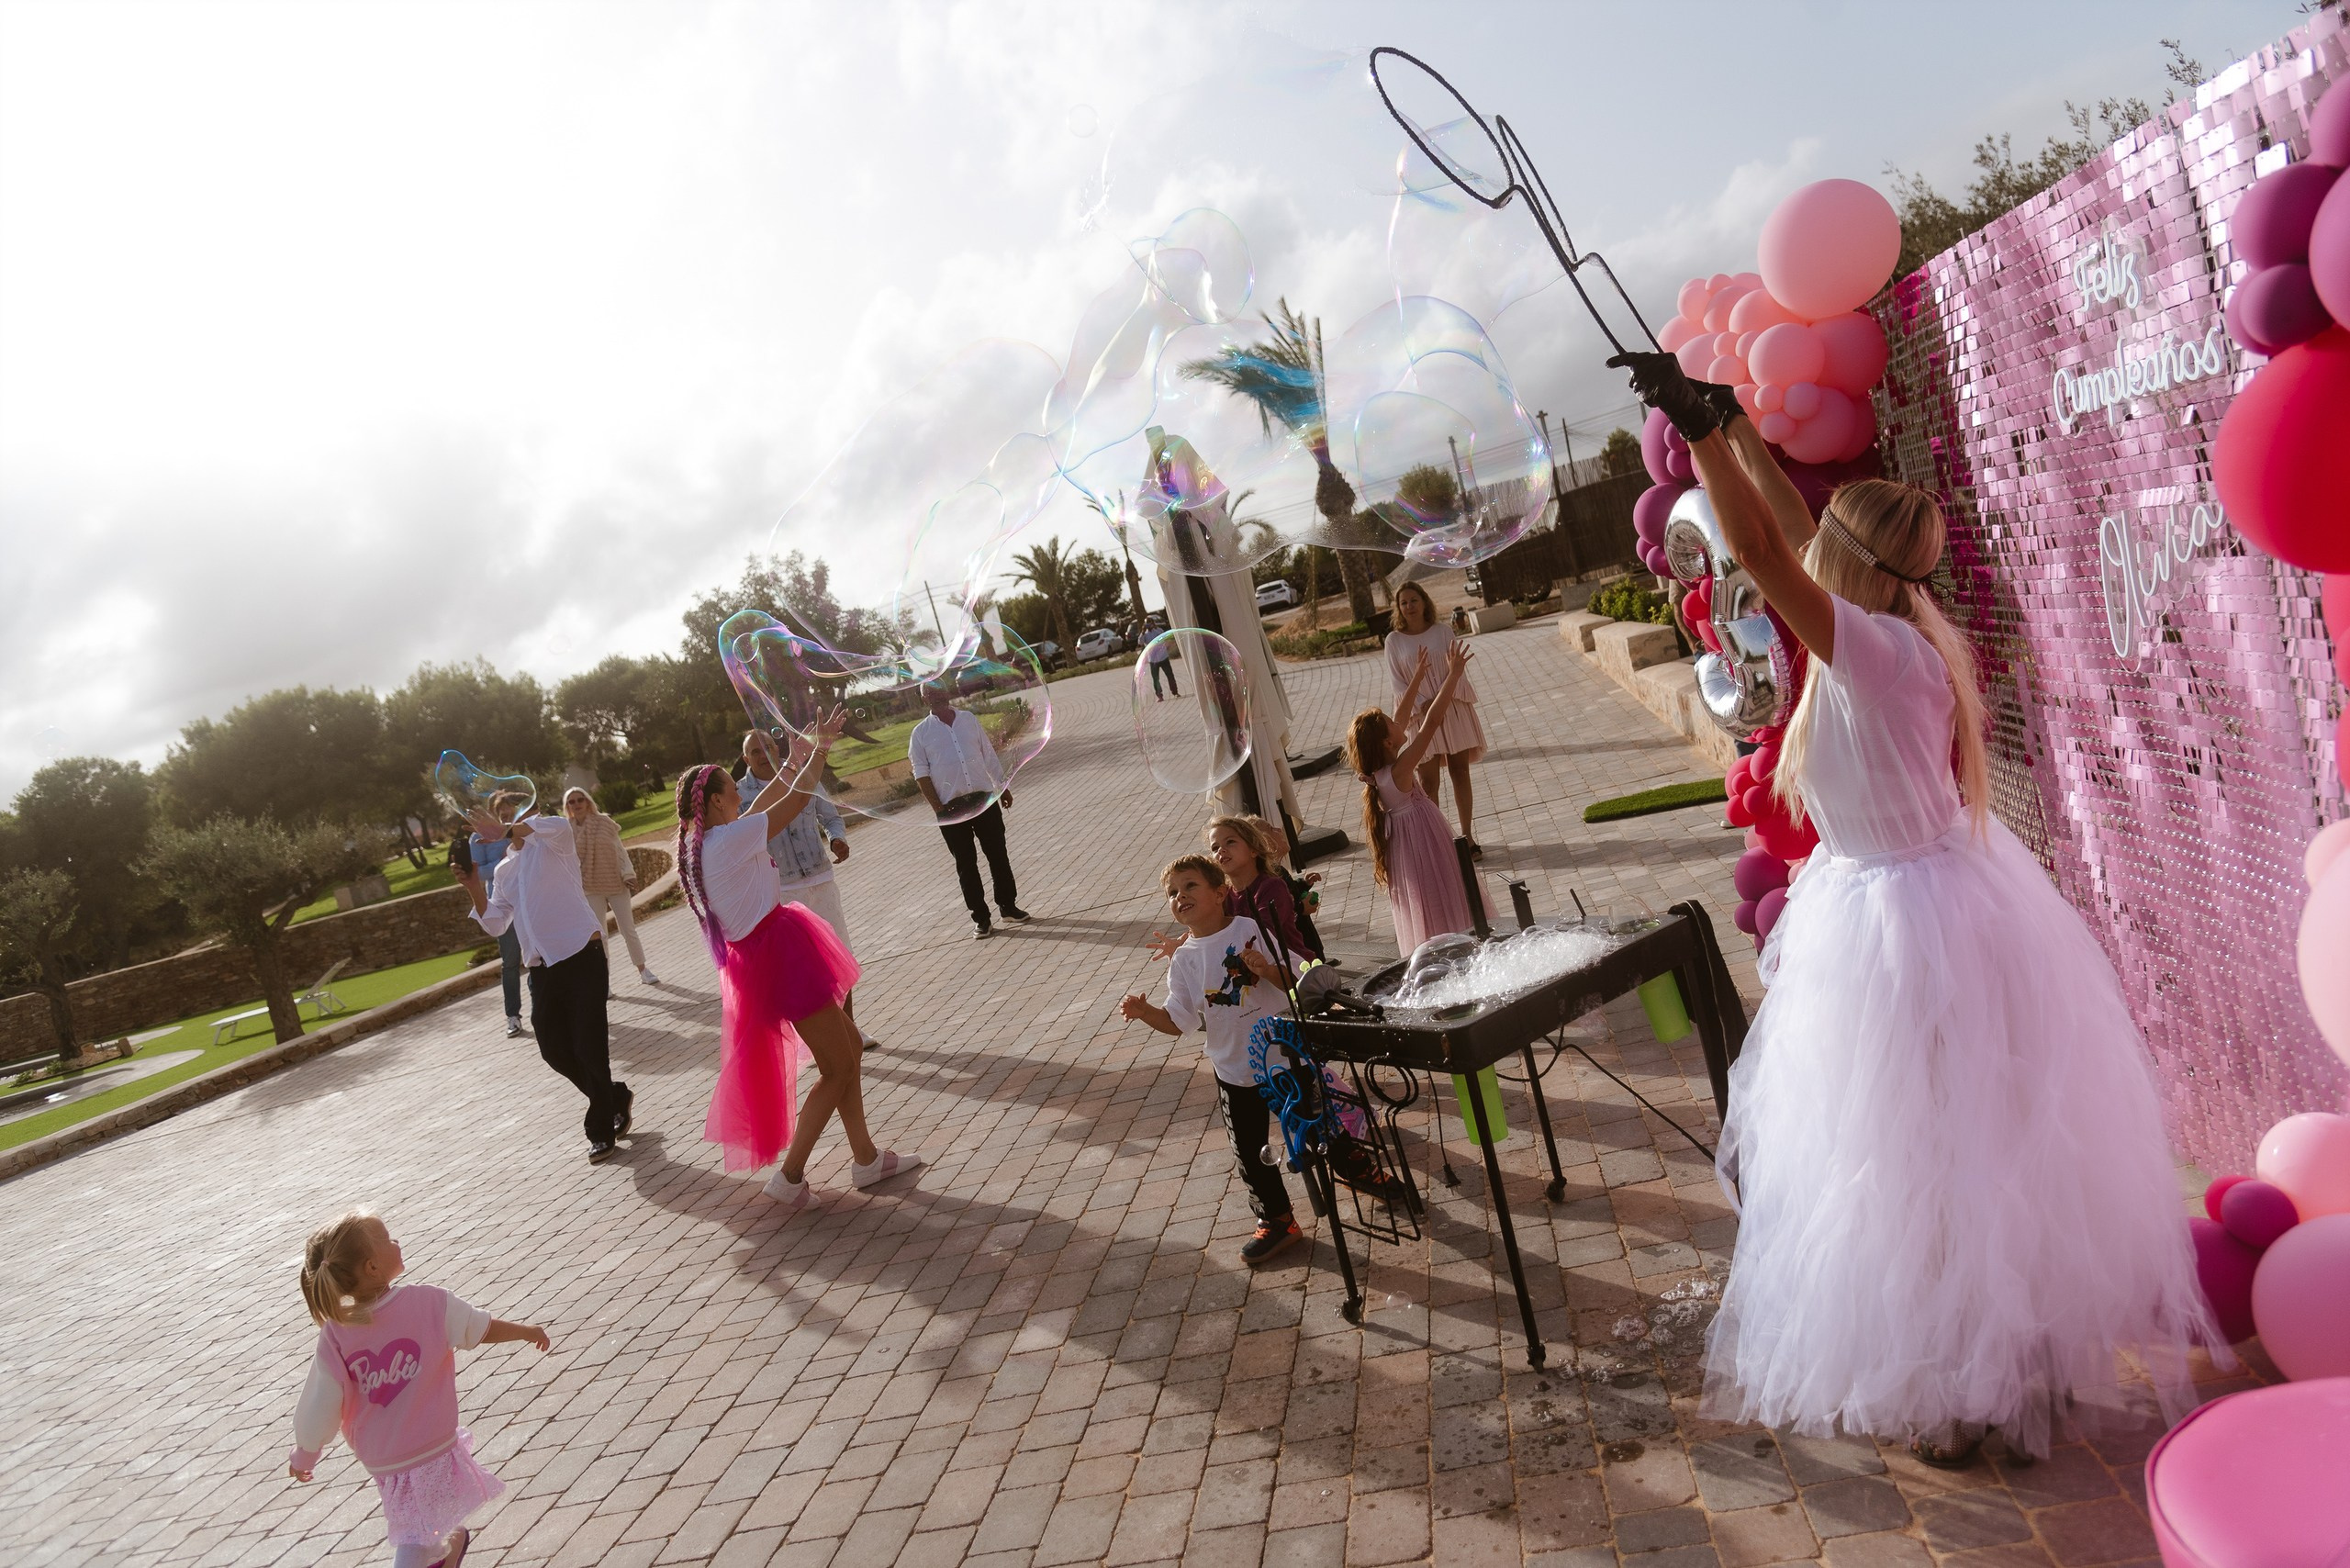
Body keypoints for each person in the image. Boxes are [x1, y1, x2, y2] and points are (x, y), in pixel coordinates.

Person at [1611, 349, 2224, 1465]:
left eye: (1825, 545)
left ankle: (1972, 1381)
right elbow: (1794, 532)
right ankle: (1999, 1368)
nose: (1809, 553)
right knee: (1960, 1155)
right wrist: (1732, 420)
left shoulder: (1872, 650)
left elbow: (1755, 547)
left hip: (1904, 927)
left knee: (1927, 1167)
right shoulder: (1898, 626)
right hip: (1917, 899)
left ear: (1849, 563)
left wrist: (1693, 433)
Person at [675, 716, 919, 1213]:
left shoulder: (706, 843)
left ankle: (867, 1159)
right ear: (719, 800)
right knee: (837, 1065)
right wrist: (820, 749)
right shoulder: (726, 842)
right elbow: (795, 801)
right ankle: (789, 1176)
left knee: (848, 1048)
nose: (740, 790)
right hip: (779, 956)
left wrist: (791, 756)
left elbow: (767, 801)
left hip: (766, 955)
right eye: (731, 784)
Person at [288, 1210, 549, 1568]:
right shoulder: (416, 1306)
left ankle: (445, 1548)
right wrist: (524, 1330)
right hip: (406, 1455)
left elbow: (320, 1403)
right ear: (372, 1267)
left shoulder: (359, 1324)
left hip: (405, 1453)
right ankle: (449, 1546)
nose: (396, 1242)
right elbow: (478, 1329)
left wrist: (306, 1451)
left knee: (415, 1531)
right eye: (387, 1239)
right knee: (421, 1527)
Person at [1121, 855, 1304, 1266]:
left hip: (1284, 1054)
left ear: (1221, 892)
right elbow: (1179, 1021)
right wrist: (1147, 1013)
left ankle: (1360, 1170)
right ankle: (1278, 1221)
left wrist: (1267, 969)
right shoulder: (1184, 959)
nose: (1179, 896)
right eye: (1172, 893)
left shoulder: (1249, 929)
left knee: (1321, 1123)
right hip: (1234, 1070)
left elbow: (1295, 978)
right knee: (1250, 1155)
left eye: (1189, 886)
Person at [454, 804, 631, 1162]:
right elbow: (497, 923)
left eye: (512, 813)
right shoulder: (504, 869)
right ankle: (613, 1096)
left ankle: (600, 1129)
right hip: (542, 970)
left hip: (582, 954)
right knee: (554, 1049)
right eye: (500, 813)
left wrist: (503, 828)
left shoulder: (556, 838)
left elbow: (531, 829)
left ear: (531, 812)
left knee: (589, 1045)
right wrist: (474, 886)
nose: (504, 819)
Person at [738, 731, 872, 1049]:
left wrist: (837, 838)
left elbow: (830, 816)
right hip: (783, 889)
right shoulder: (741, 796)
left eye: (768, 747)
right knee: (807, 969)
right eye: (755, 751)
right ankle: (826, 1039)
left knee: (840, 956)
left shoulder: (803, 772)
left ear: (776, 747)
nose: (763, 754)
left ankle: (850, 1031)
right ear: (745, 759)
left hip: (819, 877)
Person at [1346, 642, 1476, 957]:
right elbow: (1431, 721)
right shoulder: (1401, 769)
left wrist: (1418, 676)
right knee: (1442, 890)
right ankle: (1457, 945)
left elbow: (1403, 714)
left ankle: (1442, 947)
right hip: (1425, 840)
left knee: (1426, 900)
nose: (1400, 720)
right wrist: (1454, 676)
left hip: (1406, 846)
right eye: (1393, 725)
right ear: (1389, 742)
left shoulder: (1381, 773)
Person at [907, 686, 1031, 940]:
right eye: (931, 692)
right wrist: (939, 810)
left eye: (941, 689)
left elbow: (988, 755)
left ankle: (1008, 906)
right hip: (951, 808)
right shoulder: (920, 734)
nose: (939, 695)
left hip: (984, 799)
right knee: (966, 864)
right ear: (924, 698)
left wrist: (1002, 787)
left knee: (998, 854)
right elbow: (921, 774)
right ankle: (982, 919)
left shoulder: (968, 720)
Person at [1385, 581, 1489, 854]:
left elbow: (1457, 669)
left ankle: (1467, 838)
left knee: (1460, 771)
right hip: (1419, 716)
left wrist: (1441, 699)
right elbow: (1397, 684)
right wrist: (1423, 702)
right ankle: (1441, 843)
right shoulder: (1393, 641)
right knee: (1428, 782)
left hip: (1452, 709)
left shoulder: (1443, 632)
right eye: (1404, 602)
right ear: (1398, 607)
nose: (1409, 606)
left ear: (1424, 601)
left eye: (1414, 600)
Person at [562, 788, 656, 989]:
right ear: (567, 807)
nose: (576, 804)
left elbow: (620, 851)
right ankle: (604, 983)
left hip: (615, 881)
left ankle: (643, 970)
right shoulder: (566, 831)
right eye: (572, 802)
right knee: (599, 936)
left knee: (627, 929)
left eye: (580, 800)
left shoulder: (604, 823)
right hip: (589, 887)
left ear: (588, 802)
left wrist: (628, 874)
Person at [465, 799, 525, 1039]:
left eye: (510, 810)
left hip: (527, 899)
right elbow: (478, 871)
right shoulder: (477, 838)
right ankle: (513, 1015)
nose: (506, 814)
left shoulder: (521, 830)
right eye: (501, 812)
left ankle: (546, 1014)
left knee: (539, 958)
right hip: (501, 903)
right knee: (510, 963)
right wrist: (505, 857)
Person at [1147, 634, 1180, 700]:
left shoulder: (1159, 631)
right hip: (1153, 660)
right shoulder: (1144, 634)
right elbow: (1140, 642)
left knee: (1170, 675)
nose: (1149, 625)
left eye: (1150, 623)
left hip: (1163, 657)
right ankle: (1159, 696)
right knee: (1155, 678)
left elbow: (1165, 639)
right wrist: (1142, 632)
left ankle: (1175, 692)